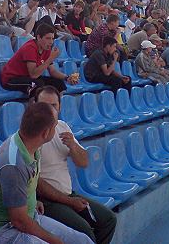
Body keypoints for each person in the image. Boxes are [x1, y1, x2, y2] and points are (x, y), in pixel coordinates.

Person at [0, 102, 94, 244]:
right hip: (1, 231)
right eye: (55, 125)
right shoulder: (13, 164)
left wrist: (31, 200)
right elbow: (19, 221)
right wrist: (56, 241)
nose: (57, 127)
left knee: (83, 241)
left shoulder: (30, 144)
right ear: (45, 133)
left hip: (28, 217)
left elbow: (27, 183)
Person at [36, 86, 117, 244]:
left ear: (59, 107)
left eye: (53, 106)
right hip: (46, 200)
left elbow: (83, 162)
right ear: (34, 106)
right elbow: (36, 182)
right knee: (85, 233)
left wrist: (73, 145)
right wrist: (69, 201)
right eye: (44, 105)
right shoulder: (32, 133)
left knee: (108, 220)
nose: (49, 110)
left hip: (67, 194)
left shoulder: (62, 126)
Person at [0, 23, 70, 97]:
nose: (51, 42)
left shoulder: (46, 48)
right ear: (39, 37)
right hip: (11, 79)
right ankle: (35, 108)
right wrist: (50, 59)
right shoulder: (30, 48)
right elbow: (33, 75)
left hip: (27, 77)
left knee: (59, 83)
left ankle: (55, 107)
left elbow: (52, 71)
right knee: (37, 85)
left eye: (52, 38)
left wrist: (67, 77)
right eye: (48, 38)